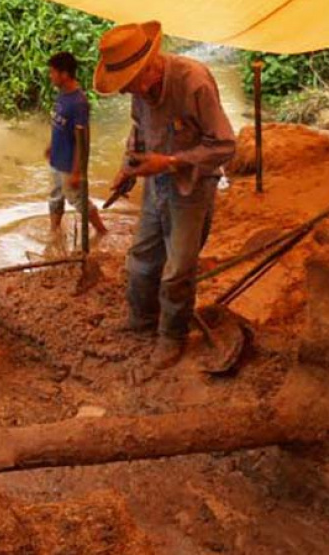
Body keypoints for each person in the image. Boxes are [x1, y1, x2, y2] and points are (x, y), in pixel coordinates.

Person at [94, 22, 236, 369]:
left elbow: (225, 145)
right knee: (142, 258)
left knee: (178, 269)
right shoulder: (141, 93)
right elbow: (138, 130)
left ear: (147, 70)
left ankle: (172, 335)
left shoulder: (193, 82)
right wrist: (129, 167)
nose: (127, 93)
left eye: (128, 85)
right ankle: (142, 320)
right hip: (157, 184)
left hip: (191, 187)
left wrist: (172, 161)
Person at [44, 51, 108, 235]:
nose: (51, 76)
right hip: (57, 159)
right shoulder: (62, 95)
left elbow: (83, 139)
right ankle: (54, 232)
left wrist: (77, 171)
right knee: (55, 198)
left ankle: (102, 231)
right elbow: (59, 125)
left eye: (53, 72)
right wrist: (51, 146)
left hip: (68, 164)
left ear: (64, 74)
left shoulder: (78, 102)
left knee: (78, 200)